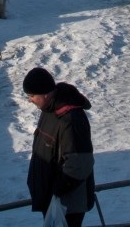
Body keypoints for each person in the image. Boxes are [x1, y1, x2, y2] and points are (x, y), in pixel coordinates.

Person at [23, 67, 95, 227]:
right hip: (53, 200)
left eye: (32, 95)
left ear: (46, 94)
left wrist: (57, 189)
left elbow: (79, 164)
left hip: (67, 205)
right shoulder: (49, 110)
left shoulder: (70, 119)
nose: (30, 100)